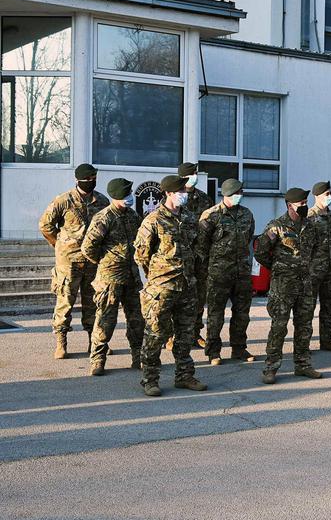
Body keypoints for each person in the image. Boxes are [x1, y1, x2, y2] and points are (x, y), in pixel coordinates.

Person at [134, 175, 207, 396]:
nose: (185, 194)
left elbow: (197, 249)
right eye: (181, 191)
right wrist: (157, 277)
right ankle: (150, 379)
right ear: (168, 193)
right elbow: (141, 256)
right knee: (155, 334)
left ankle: (184, 376)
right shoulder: (153, 221)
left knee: (185, 334)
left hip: (187, 286)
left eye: (186, 191)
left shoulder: (191, 219)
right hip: (162, 288)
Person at [39, 163, 109, 359]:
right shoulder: (64, 200)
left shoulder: (102, 201)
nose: (91, 182)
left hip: (92, 261)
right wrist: (59, 244)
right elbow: (45, 225)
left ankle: (93, 343)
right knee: (65, 302)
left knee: (93, 303)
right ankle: (61, 344)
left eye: (94, 179)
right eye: (88, 180)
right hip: (68, 262)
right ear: (78, 180)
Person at [255, 188, 322, 384]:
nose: (304, 206)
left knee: (304, 326)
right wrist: (279, 268)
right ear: (289, 205)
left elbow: (316, 249)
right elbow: (261, 252)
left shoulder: (310, 226)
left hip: (305, 285)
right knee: (279, 327)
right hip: (283, 285)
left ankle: (303, 364)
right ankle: (271, 367)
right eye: (301, 203)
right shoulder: (276, 227)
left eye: (305, 202)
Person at [81, 178, 143, 374]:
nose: (130, 197)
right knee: (106, 320)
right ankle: (97, 360)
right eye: (127, 195)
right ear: (116, 196)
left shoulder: (133, 216)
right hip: (110, 278)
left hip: (132, 276)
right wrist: (105, 261)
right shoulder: (104, 217)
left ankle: (138, 357)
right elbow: (88, 248)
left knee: (136, 320)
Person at [197, 179, 256, 365]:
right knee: (216, 314)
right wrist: (207, 271)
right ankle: (213, 352)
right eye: (237, 192)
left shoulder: (247, 214)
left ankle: (239, 348)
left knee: (242, 313)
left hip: (242, 273)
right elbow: (201, 247)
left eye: (241, 192)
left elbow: (248, 238)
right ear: (227, 194)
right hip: (219, 273)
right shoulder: (211, 215)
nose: (240, 196)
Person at [177, 162, 213, 350]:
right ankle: (173, 334)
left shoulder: (205, 199)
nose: (195, 176)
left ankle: (195, 332)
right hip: (181, 257)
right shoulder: (174, 197)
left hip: (200, 256)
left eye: (196, 173)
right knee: (178, 296)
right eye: (193, 173)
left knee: (199, 296)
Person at [307, 181, 331, 352]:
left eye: (330, 193)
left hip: (330, 269)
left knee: (330, 305)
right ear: (317, 196)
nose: (329, 197)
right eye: (326, 194)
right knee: (307, 307)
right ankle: (303, 343)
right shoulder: (308, 217)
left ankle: (327, 340)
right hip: (312, 270)